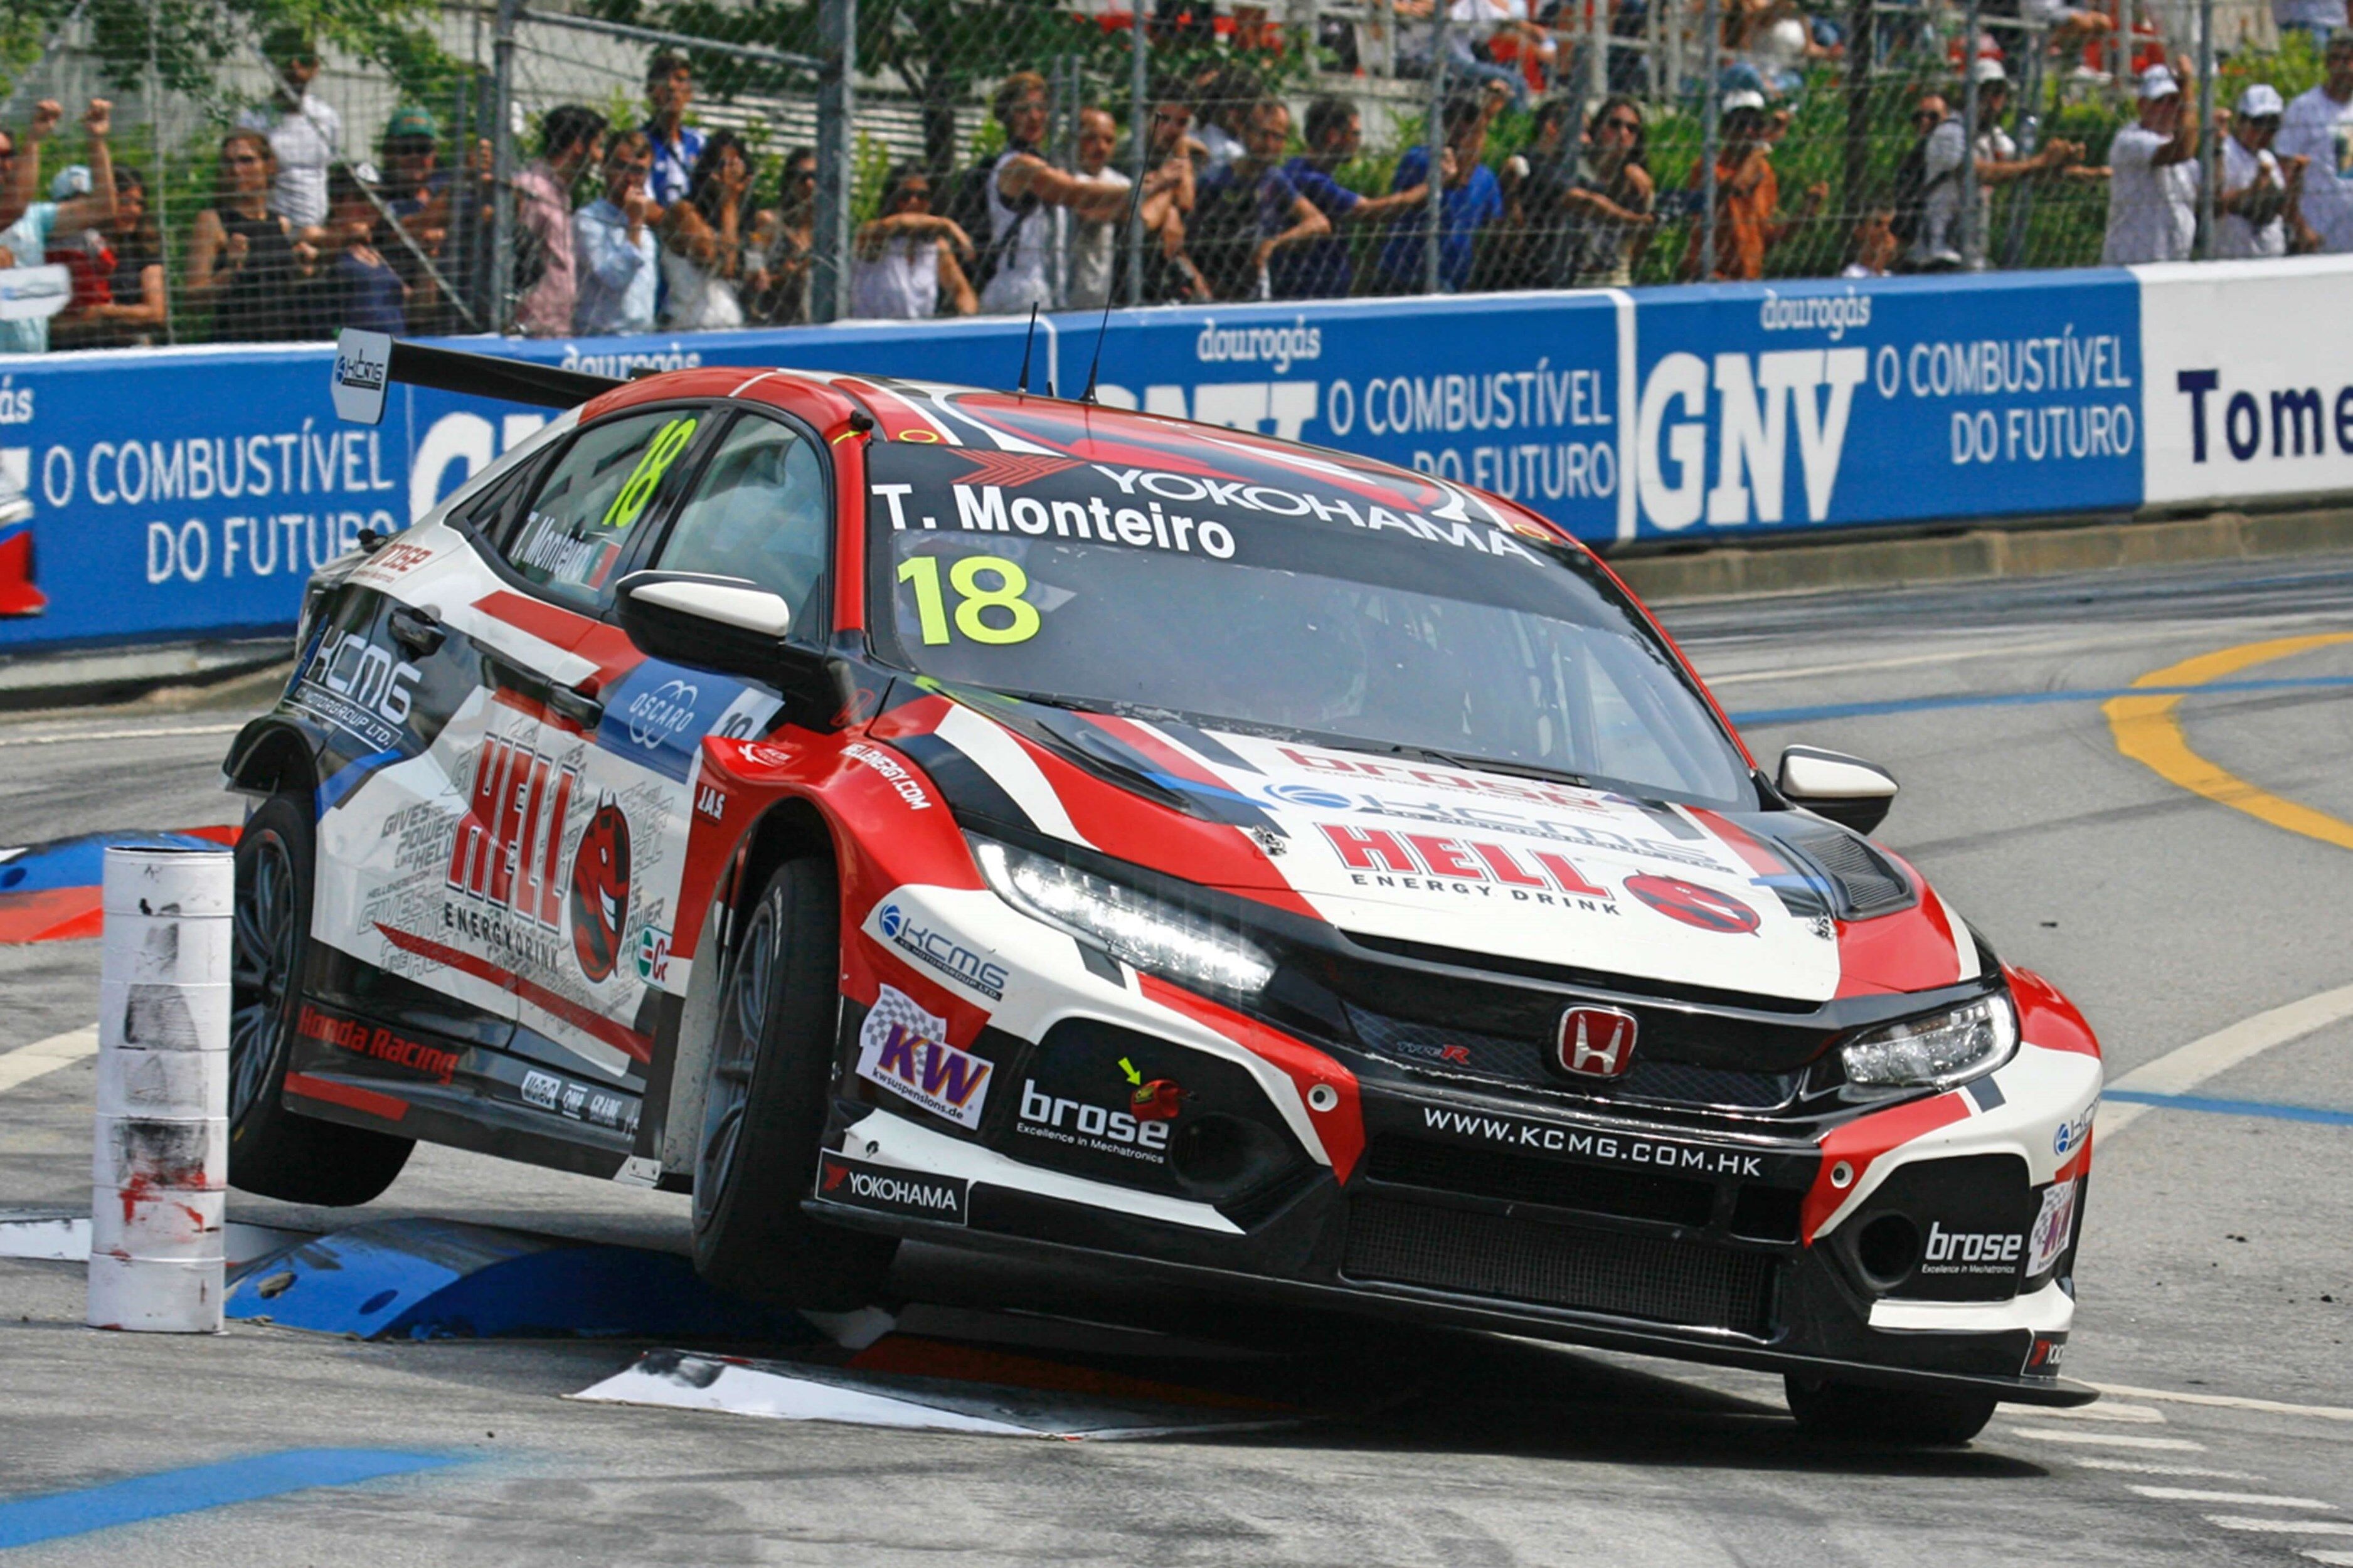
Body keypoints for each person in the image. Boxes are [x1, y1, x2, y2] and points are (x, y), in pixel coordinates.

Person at [978, 72, 1139, 313]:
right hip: (1020, 287)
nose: (1034, 117)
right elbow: (1075, 193)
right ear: (1008, 116)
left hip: (1048, 285)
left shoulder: (1046, 162)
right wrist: (1140, 188)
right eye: (1023, 110)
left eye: (1040, 108)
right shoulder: (1018, 164)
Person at [1910, 61, 2081, 270]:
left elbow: (2019, 168)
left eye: (1999, 94)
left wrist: (2061, 161)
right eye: (1987, 93)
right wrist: (2042, 162)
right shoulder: (1949, 133)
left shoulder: (1992, 136)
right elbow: (1983, 173)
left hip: (1972, 252)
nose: (1994, 101)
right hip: (1938, 254)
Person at [1274, 95, 1437, 298]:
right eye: (1355, 134)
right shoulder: (1308, 179)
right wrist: (1429, 188)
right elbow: (1368, 211)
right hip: (1308, 294)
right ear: (1334, 136)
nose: (1360, 142)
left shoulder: (1308, 173)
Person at [0, 100, 117, 356]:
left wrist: (96, 141)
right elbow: (14, 206)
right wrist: (34, 139)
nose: (4, 164)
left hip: (31, 365)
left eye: (8, 155)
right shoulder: (18, 210)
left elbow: (103, 208)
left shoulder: (34, 217)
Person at [1504, 94, 1655, 289]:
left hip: (1601, 278)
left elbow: (1641, 242)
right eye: (1614, 124)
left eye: (1632, 129)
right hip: (1551, 278)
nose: (1623, 134)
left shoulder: (1636, 179)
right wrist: (1636, 221)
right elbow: (1583, 200)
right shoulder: (1546, 165)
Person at [1187, 99, 1330, 300]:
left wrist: (1273, 244)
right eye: (1264, 135)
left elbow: (1319, 223)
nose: (1270, 145)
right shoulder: (1216, 181)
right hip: (1215, 289)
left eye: (1278, 137)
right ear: (1245, 132)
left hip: (1255, 288)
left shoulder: (1274, 179)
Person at [1682, 88, 1826, 280]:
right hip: (1711, 277)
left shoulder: (1764, 171)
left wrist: (1805, 212)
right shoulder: (1709, 167)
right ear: (1725, 129)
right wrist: (1764, 144)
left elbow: (1767, 236)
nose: (1749, 131)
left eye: (1756, 124)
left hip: (1748, 280)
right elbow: (1737, 186)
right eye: (1741, 124)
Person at [1376, 92, 1506, 294]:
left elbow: (1494, 226)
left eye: (1471, 135)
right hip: (1406, 275)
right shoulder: (1421, 159)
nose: (1462, 143)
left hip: (1454, 278)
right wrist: (1483, 121)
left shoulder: (1486, 177)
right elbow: (1458, 179)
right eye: (1457, 135)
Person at [186, 129, 307, 342]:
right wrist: (231, 270)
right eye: (228, 162)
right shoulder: (213, 221)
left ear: (268, 166)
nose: (236, 170)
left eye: (246, 161)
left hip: (285, 341)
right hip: (238, 343)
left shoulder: (280, 224)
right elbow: (193, 299)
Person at [511, 104, 605, 336]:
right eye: (597, 146)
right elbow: (514, 256)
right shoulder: (532, 190)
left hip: (556, 328)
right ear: (578, 147)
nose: (599, 157)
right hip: (531, 328)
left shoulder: (560, 192)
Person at [51, 167, 168, 349]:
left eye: (139, 203)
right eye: (125, 202)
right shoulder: (77, 246)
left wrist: (104, 312)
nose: (134, 210)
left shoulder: (144, 249)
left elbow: (156, 312)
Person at [237, 28, 342, 230]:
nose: (294, 65)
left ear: (315, 67)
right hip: (274, 234)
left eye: (303, 59)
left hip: (319, 234)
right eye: (286, 58)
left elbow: (330, 174)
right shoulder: (254, 121)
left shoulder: (327, 118)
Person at [2100, 60, 2201, 265]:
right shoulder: (2130, 140)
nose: (2168, 109)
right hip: (2131, 265)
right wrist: (2188, 86)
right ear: (2142, 105)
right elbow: (2181, 151)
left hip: (2174, 264)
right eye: (2159, 101)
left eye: (2174, 101)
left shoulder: (2184, 150)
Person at [850, 164, 977, 319]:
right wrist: (948, 225)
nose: (914, 202)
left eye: (922, 197)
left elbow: (962, 291)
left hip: (918, 332)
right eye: (905, 196)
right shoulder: (875, 235)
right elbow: (896, 224)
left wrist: (965, 318)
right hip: (874, 332)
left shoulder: (934, 246)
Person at [659, 129, 752, 330]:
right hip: (692, 328)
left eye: (735, 168)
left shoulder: (738, 218)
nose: (728, 175)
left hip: (730, 325)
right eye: (720, 167)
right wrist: (728, 202)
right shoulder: (683, 212)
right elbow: (717, 260)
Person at [573, 130, 661, 335]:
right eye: (621, 167)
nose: (630, 178)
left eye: (638, 171)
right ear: (605, 167)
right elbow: (614, 278)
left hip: (643, 334)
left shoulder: (646, 227)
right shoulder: (588, 219)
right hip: (601, 338)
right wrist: (636, 223)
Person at [307, 164, 407, 335]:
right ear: (337, 200)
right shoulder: (318, 238)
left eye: (377, 197)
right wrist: (347, 235)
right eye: (362, 197)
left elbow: (409, 303)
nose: (371, 205)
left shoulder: (377, 252)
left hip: (394, 350)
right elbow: (310, 242)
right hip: (350, 353)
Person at [2278, 31, 2353, 253]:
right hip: (2317, 234)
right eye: (2339, 59)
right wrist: (2301, 228)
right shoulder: (2304, 108)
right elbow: (2284, 173)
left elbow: (2346, 168)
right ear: (2328, 63)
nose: (2346, 67)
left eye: (2351, 59)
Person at [2216, 85, 2306, 257]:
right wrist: (2255, 190)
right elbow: (2214, 204)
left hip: (2269, 257)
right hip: (2233, 258)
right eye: (2258, 123)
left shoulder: (2267, 158)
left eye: (2272, 125)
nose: (2265, 132)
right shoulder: (2224, 153)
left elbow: (2282, 210)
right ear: (2241, 121)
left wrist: (2295, 182)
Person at [1065, 110, 1131, 311]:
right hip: (1065, 295)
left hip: (1102, 295)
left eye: (1109, 140)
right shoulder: (1064, 177)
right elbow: (1089, 212)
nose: (1101, 147)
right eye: (1090, 139)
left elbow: (1139, 212)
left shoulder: (1118, 181)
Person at [748, 148, 815, 324]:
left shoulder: (828, 231)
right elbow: (755, 277)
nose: (809, 184)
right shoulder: (770, 222)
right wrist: (782, 277)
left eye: (815, 176)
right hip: (778, 319)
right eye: (802, 178)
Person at [642, 51, 705, 212]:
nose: (671, 86)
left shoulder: (699, 142)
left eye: (680, 80)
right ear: (650, 91)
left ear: (690, 93)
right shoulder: (640, 141)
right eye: (663, 79)